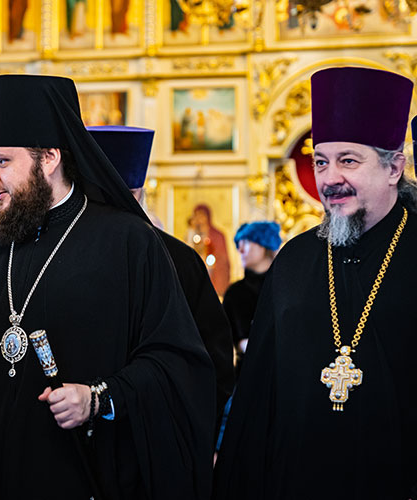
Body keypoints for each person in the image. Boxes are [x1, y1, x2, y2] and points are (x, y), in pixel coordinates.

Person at [0, 75, 215, 500]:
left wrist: (98, 398)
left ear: (49, 157)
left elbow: (175, 360)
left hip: (80, 475)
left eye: (1, 161)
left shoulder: (127, 242)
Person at [214, 67, 417, 499]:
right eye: (320, 161)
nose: (328, 179)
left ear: (394, 167)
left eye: (348, 160)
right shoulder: (295, 260)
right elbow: (258, 400)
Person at [87, 125, 234, 435]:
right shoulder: (64, 251)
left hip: (157, 436)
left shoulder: (180, 259)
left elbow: (213, 364)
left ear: (136, 195)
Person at [221, 221, 281, 374]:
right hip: (246, 372)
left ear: (264, 245)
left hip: (282, 372)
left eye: (246, 243)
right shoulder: (234, 292)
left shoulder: (286, 286)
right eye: (238, 245)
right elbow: (222, 337)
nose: (240, 250)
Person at [190, 203, 230, 296]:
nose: (199, 219)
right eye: (196, 215)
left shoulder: (218, 235)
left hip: (213, 278)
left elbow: (223, 262)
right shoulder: (191, 234)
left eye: (202, 215)